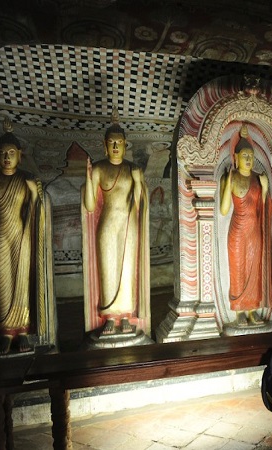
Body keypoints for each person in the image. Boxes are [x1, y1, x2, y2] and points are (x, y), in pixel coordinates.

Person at [0, 120, 47, 354]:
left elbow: (38, 209)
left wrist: (33, 191)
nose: (7, 157)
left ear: (20, 155)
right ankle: (5, 334)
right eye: (2, 154)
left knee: (23, 283)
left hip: (21, 237)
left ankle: (22, 332)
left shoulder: (25, 178)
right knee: (2, 286)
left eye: (11, 153)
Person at [83, 112, 150, 336]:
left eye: (119, 143)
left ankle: (126, 316)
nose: (115, 146)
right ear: (105, 145)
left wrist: (139, 181)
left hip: (128, 226)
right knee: (109, 270)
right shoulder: (100, 169)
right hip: (108, 225)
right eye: (111, 142)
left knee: (127, 270)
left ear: (125, 145)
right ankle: (110, 316)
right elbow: (91, 206)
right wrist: (89, 177)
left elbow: (140, 205)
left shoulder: (132, 169)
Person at [220, 125, 272, 327]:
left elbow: (264, 209)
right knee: (238, 270)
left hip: (255, 232)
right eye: (245, 156)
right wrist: (228, 183)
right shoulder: (230, 178)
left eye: (251, 156)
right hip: (238, 232)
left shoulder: (258, 179)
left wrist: (266, 189)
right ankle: (239, 310)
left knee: (254, 270)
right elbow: (224, 210)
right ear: (236, 157)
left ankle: (252, 311)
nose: (249, 160)